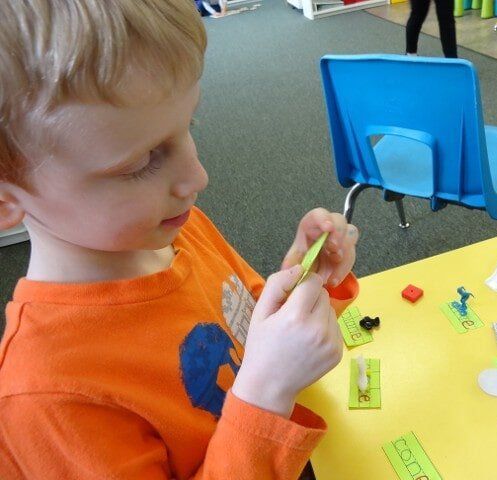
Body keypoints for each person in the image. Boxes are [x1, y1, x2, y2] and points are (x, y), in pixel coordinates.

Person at [0, 1, 359, 479]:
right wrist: (265, 396)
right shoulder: (48, 395)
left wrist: (302, 282)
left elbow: (248, 331)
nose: (198, 176)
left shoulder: (176, 230)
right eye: (139, 163)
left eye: (189, 126)